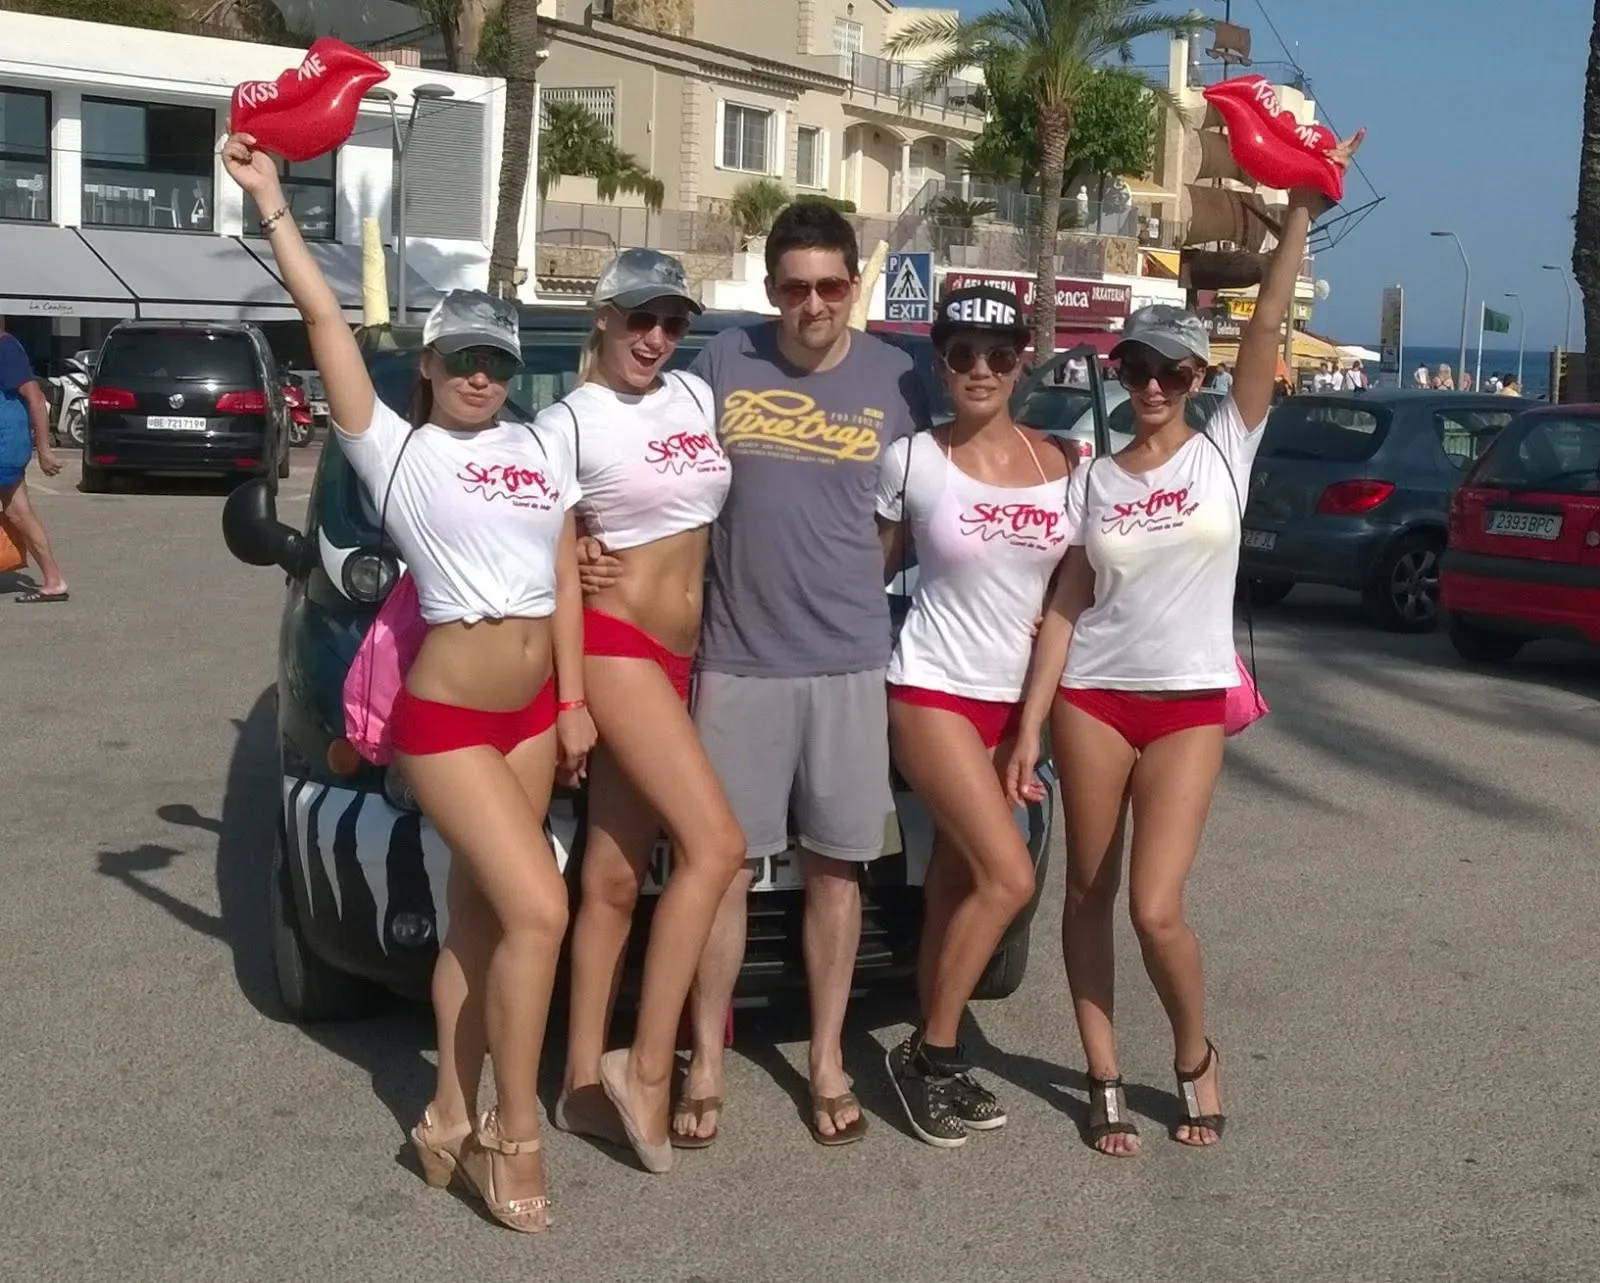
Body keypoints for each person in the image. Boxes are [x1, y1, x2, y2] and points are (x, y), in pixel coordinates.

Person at [226, 132, 596, 1233]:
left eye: (497, 358)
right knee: (542, 904)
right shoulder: (397, 450)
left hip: (534, 710)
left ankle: (440, 1109)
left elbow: (569, 576)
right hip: (446, 722)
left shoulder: (542, 447)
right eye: (462, 359)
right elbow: (330, 324)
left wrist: (574, 693)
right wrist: (272, 204)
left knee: (483, 921)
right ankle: (509, 1128)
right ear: (428, 367)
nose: (482, 374)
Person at [1005, 130, 1364, 1158]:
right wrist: (1028, 724)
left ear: (1192, 374)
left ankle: (1195, 1051)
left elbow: (1260, 333)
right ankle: (1102, 1069)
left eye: (1169, 367)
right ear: (1116, 372)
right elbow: (1066, 604)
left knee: (1155, 906)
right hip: (1091, 698)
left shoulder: (1225, 451)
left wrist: (1297, 211)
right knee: (1083, 889)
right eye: (1135, 366)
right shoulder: (1091, 478)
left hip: (1186, 700)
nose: (1151, 382)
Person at [579, 202, 931, 1146]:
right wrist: (579, 538)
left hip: (851, 660)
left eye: (828, 285)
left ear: (853, 285)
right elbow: (632, 449)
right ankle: (702, 1058)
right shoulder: (721, 365)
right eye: (792, 286)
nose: (811, 303)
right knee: (725, 868)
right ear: (768, 289)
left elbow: (937, 484)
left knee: (835, 873)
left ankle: (824, 1058)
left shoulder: (899, 376)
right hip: (734, 659)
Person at [540, 249, 745, 1173]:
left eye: (671, 322)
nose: (657, 338)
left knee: (616, 879)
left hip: (682, 657)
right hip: (618, 651)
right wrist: (571, 699)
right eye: (639, 319)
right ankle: (648, 1068)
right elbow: (541, 553)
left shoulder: (694, 400)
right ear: (604, 320)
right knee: (716, 848)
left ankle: (582, 1081)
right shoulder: (567, 422)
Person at [876, 285, 1071, 1146]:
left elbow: (1080, 590)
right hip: (928, 687)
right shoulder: (912, 460)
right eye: (962, 354)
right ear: (939, 361)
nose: (981, 371)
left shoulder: (1065, 463)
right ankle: (933, 1056)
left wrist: (1034, 717)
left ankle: (931, 1044)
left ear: (1024, 359)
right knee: (1009, 877)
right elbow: (861, 578)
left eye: (999, 355)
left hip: (1012, 704)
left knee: (958, 882)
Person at [0, 320, 67, 602]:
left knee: (20, 513)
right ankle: (53, 580)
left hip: (4, 443)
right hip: (7, 443)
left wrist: (44, 450)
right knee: (19, 513)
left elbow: (36, 398)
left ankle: (54, 580)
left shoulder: (4, 348)